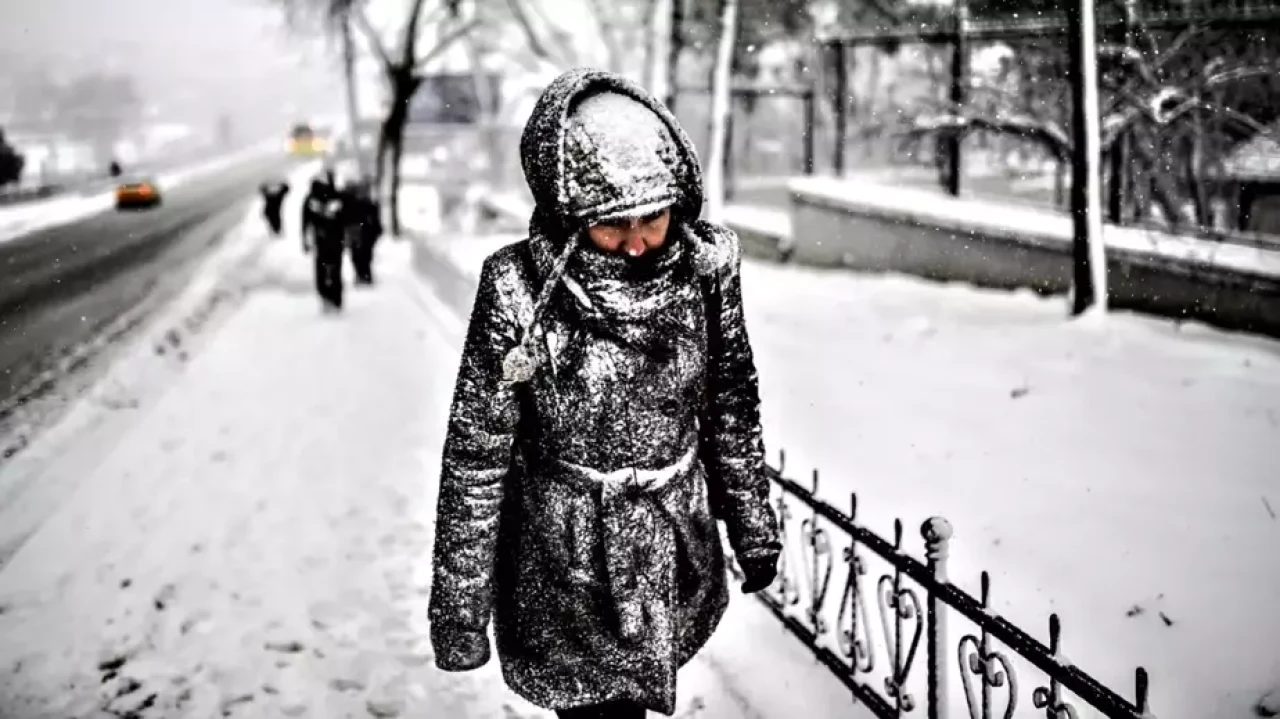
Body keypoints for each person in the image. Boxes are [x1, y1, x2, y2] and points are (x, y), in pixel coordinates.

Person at [427, 69, 782, 719]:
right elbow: (477, 455)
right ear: (568, 213)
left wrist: (752, 526)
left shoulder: (703, 273)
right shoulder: (518, 288)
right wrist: (460, 610)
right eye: (614, 224)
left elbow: (731, 401)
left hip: (668, 547)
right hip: (565, 566)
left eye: (654, 215)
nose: (641, 240)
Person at [301, 172, 345, 312]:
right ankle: (334, 298)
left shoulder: (311, 199)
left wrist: (305, 240)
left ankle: (327, 297)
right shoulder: (337, 197)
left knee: (323, 269)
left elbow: (305, 222)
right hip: (334, 239)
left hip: (323, 240)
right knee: (335, 269)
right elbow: (345, 218)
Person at [341, 178, 382, 285]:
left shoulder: (368, 204)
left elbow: (375, 220)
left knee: (362, 254)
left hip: (364, 231)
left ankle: (364, 275)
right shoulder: (353, 201)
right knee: (359, 254)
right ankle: (362, 275)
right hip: (358, 231)